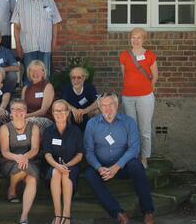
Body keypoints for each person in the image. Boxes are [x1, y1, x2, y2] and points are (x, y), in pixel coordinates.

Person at [84, 93, 155, 224]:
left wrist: (116, 167)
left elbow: (134, 148)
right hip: (102, 168)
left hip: (123, 166)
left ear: (117, 105)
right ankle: (118, 212)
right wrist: (99, 168)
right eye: (104, 105)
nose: (108, 108)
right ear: (99, 108)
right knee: (89, 174)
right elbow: (88, 151)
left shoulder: (128, 122)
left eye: (111, 104)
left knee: (137, 166)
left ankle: (148, 211)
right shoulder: (92, 124)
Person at [119, 27, 158, 169]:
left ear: (143, 39)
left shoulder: (150, 55)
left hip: (145, 97)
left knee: (144, 129)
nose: (136, 40)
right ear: (130, 38)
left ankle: (144, 157)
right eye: (133, 37)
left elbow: (155, 76)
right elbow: (125, 75)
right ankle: (133, 156)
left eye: (139, 37)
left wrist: (147, 89)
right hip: (128, 97)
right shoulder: (124, 55)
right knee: (131, 128)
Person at [11, 0, 62, 80]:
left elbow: (55, 22)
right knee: (30, 77)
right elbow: (16, 26)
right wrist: (18, 46)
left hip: (45, 46)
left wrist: (54, 42)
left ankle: (45, 96)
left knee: (45, 76)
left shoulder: (49, 1)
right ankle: (30, 96)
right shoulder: (20, 2)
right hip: (28, 47)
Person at [0, 99, 40, 224]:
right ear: (10, 112)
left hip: (29, 160)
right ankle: (12, 189)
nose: (18, 112)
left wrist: (24, 157)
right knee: (21, 168)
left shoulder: (33, 127)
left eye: (21, 109)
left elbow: (35, 148)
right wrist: (18, 158)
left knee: (31, 179)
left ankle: (24, 216)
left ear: (26, 111)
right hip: (9, 160)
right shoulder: (5, 128)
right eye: (15, 109)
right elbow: (5, 151)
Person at [43, 100, 84, 224]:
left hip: (71, 165)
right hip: (53, 166)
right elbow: (47, 154)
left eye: (62, 111)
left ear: (67, 113)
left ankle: (66, 214)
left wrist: (66, 165)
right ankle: (57, 214)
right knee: (56, 172)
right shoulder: (48, 131)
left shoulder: (75, 131)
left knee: (66, 173)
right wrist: (57, 165)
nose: (59, 113)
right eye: (56, 111)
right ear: (52, 113)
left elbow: (80, 154)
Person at [61, 67, 99, 132]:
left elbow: (98, 102)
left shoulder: (89, 87)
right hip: (72, 116)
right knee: (65, 112)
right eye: (73, 77)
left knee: (97, 111)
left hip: (87, 115)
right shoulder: (66, 88)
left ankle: (94, 132)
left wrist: (85, 110)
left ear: (84, 78)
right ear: (70, 79)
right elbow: (63, 102)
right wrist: (74, 110)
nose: (76, 80)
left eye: (79, 77)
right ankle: (68, 133)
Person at [21, 60, 55, 133]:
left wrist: (26, 116)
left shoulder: (47, 86)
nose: (35, 73)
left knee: (28, 122)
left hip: (45, 119)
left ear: (43, 72)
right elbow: (22, 108)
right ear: (29, 72)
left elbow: (43, 111)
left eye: (38, 70)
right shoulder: (25, 88)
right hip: (27, 118)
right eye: (32, 70)